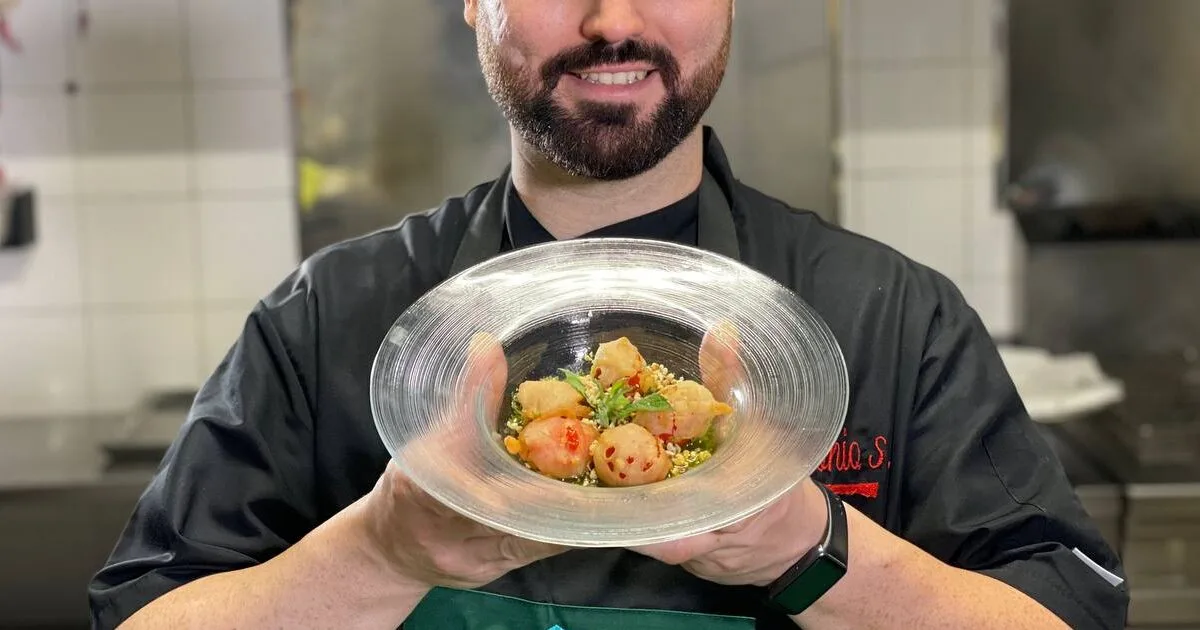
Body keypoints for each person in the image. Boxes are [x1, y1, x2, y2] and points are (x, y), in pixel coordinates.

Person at [88, 2, 1129, 629]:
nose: (612, 20)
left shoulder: (893, 316)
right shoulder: (326, 319)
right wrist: (384, 551)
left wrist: (809, 547)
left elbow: (1068, 613)